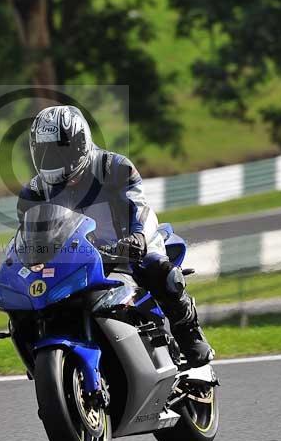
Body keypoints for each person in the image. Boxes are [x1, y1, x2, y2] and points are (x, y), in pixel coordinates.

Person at [17, 104, 214, 367]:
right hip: (77, 258)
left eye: (60, 151)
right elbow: (28, 235)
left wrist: (139, 238)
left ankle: (189, 333)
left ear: (80, 144)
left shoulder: (114, 167)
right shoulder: (34, 192)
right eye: (46, 153)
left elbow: (139, 206)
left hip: (126, 248)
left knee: (161, 270)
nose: (54, 160)